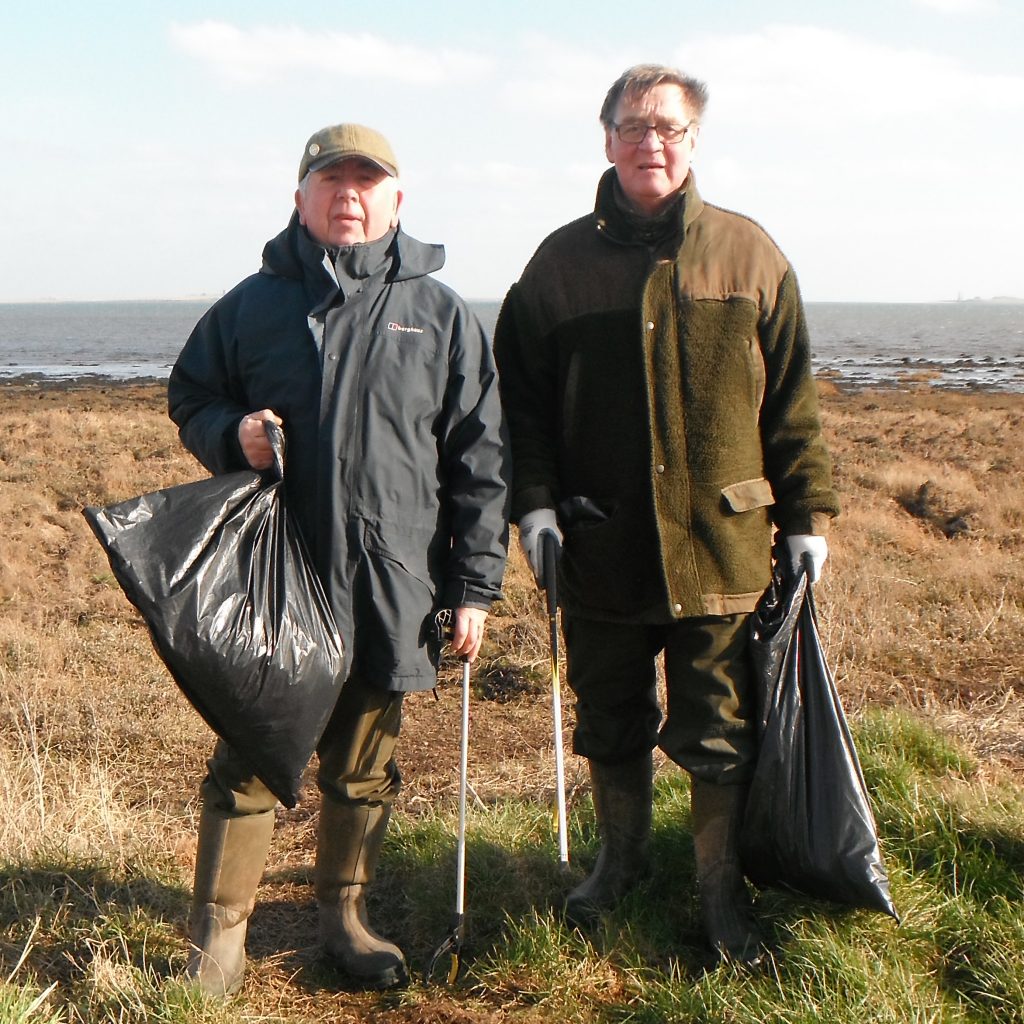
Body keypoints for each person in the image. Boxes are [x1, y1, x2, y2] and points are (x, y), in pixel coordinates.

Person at [493, 64, 840, 967]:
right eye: (634, 126)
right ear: (605, 138)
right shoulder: (556, 265)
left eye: (670, 128)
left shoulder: (751, 254)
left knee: (718, 727)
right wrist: (532, 508)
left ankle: (720, 892)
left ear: (694, 141)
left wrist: (807, 514)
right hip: (598, 544)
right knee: (609, 715)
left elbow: (793, 402)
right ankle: (620, 864)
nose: (652, 142)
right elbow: (520, 405)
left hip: (722, 547)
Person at [168, 123, 508, 995]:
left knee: (363, 767)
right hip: (276, 579)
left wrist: (473, 588)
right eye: (331, 180)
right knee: (248, 756)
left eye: (367, 181)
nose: (348, 195)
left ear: (398, 199)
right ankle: (220, 938)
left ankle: (345, 921)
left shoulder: (440, 314)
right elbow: (192, 393)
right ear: (300, 198)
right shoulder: (252, 304)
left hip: (393, 583)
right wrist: (228, 433)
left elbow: (479, 459)